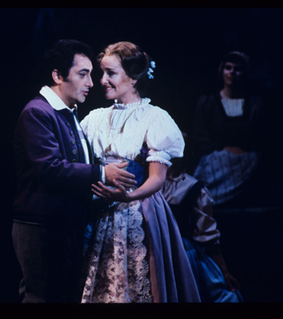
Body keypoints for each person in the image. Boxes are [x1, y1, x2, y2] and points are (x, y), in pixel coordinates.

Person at [12, 39, 136, 303]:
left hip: (63, 223)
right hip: (40, 225)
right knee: (41, 297)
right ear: (58, 75)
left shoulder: (68, 113)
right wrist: (103, 173)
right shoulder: (37, 112)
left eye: (91, 74)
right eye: (83, 74)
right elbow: (50, 169)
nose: (91, 83)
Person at [80, 41, 200, 303]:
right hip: (98, 211)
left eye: (110, 73)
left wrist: (127, 197)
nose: (102, 80)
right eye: (102, 73)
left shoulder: (154, 118)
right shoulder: (95, 118)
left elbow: (158, 178)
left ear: (133, 77)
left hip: (138, 210)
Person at [161, 133, 243, 302]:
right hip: (153, 245)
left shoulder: (191, 185)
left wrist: (224, 271)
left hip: (181, 250)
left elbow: (209, 236)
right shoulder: (151, 179)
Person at [192, 51, 267, 208]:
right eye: (228, 68)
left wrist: (244, 149)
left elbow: (260, 134)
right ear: (222, 71)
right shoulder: (207, 102)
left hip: (247, 159)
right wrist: (222, 149)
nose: (232, 72)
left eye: (237, 69)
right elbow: (200, 135)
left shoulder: (254, 104)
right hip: (216, 158)